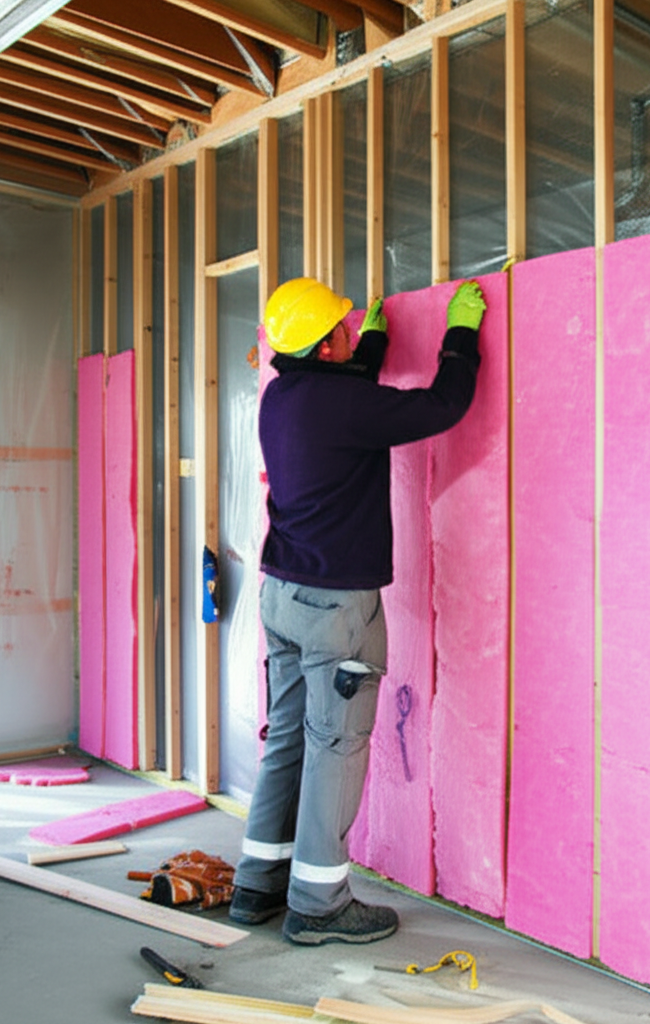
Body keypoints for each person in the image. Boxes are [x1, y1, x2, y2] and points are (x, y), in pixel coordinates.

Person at [229, 276, 487, 945]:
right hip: (336, 609)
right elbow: (441, 405)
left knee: (289, 737)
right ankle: (320, 904)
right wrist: (461, 335)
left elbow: (346, 393)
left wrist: (370, 342)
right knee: (336, 747)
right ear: (324, 345)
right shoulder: (344, 404)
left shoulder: (281, 395)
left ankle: (259, 882)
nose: (351, 330)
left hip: (281, 597)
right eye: (342, 328)